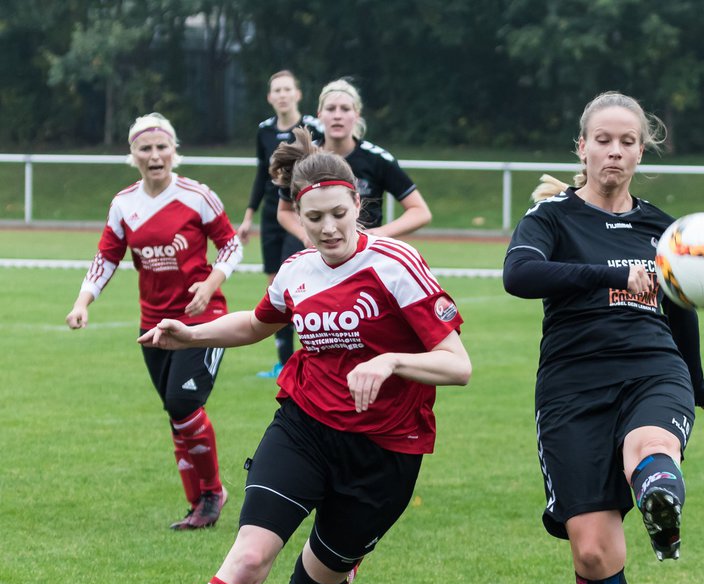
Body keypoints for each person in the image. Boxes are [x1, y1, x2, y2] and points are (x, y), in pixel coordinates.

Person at [142, 127, 471, 584]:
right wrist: (190, 333)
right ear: (296, 214)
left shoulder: (396, 265)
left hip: (385, 453)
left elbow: (459, 365)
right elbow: (258, 324)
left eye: (339, 215)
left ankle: (345, 562)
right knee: (247, 559)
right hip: (304, 430)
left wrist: (392, 361)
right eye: (313, 217)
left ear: (359, 205)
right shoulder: (296, 271)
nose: (328, 229)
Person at [502, 92, 704, 584]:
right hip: (572, 389)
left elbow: (679, 306)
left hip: (652, 369)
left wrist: (699, 381)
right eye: (604, 140)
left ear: (640, 150)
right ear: (583, 147)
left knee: (646, 447)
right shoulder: (550, 218)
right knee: (596, 553)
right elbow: (519, 276)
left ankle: (662, 504)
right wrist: (606, 275)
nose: (615, 152)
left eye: (628, 142)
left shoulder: (665, 227)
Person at [66, 112, 243, 530]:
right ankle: (197, 503)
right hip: (155, 325)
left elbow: (231, 246)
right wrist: (82, 301)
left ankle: (213, 493)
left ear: (174, 151)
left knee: (184, 405)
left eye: (162, 147)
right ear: (133, 155)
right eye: (145, 148)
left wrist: (210, 283)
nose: (155, 155)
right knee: (175, 413)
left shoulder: (198, 196)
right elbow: (106, 257)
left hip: (203, 320)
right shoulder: (124, 204)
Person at [236, 69, 323, 379]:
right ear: (270, 97)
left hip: (298, 215)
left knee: (296, 284)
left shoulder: (313, 128)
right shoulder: (264, 131)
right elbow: (262, 174)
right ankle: (284, 362)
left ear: (297, 94)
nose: (283, 95)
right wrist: (248, 216)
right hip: (272, 216)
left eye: (288, 89)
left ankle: (311, 357)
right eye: (277, 90)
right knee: (275, 287)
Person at [276, 78, 431, 244]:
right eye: (330, 109)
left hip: (362, 254)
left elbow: (420, 211)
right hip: (312, 251)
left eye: (345, 109)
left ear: (356, 115)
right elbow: (284, 211)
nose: (337, 116)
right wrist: (304, 236)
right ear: (320, 115)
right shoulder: (303, 156)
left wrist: (381, 233)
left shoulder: (377, 159)